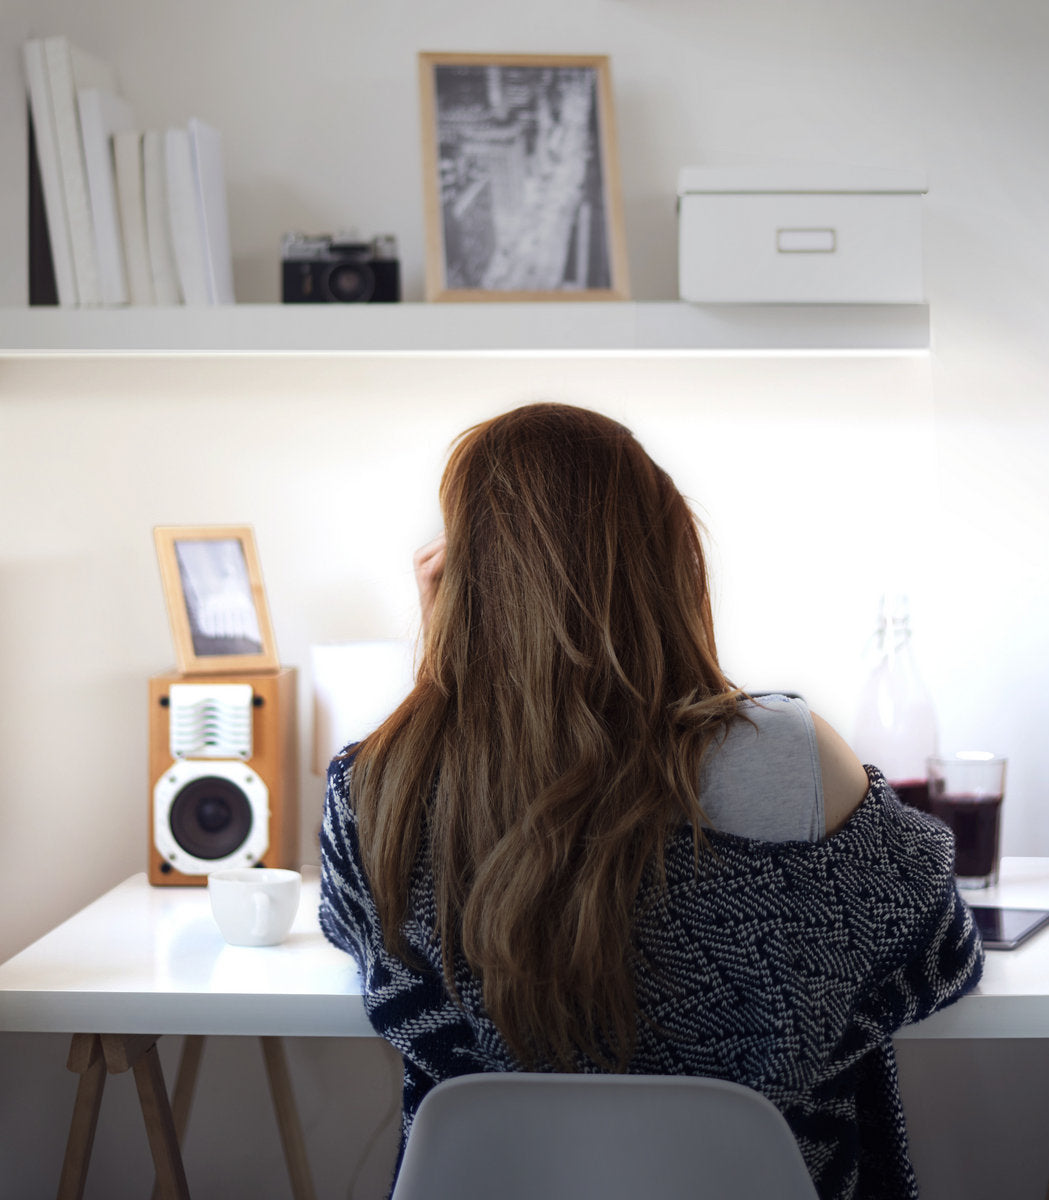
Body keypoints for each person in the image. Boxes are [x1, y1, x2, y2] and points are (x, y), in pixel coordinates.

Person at [319, 402, 983, 1200]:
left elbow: (355, 931)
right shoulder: (793, 753)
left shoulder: (379, 786)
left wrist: (446, 675)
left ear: (464, 583)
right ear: (667, 566)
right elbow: (943, 946)